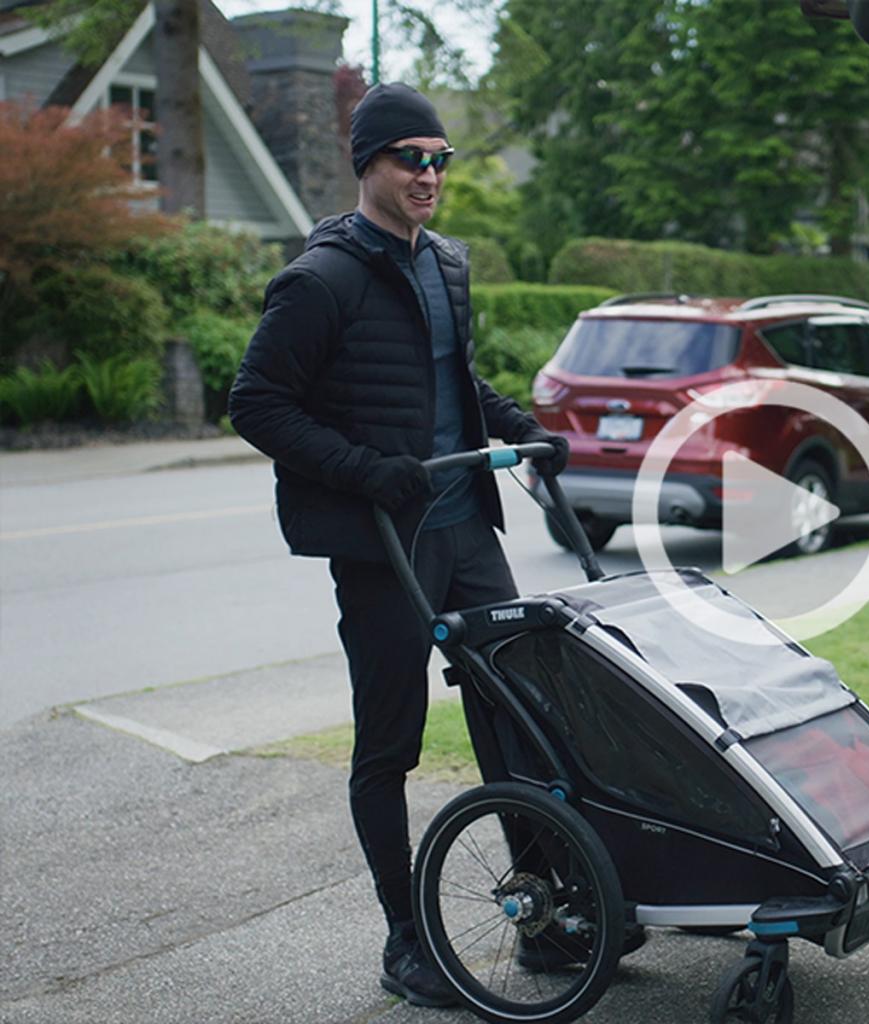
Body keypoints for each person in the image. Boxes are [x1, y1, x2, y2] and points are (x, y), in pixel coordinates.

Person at [228, 83, 588, 1007]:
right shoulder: (321, 279)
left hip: (466, 524)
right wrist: (361, 468)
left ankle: (544, 923)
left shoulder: (447, 265)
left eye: (440, 159)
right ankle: (405, 942)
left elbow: (448, 380)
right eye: (410, 159)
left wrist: (527, 429)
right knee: (388, 745)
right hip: (386, 539)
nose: (429, 175)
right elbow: (256, 403)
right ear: (369, 166)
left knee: (520, 719)